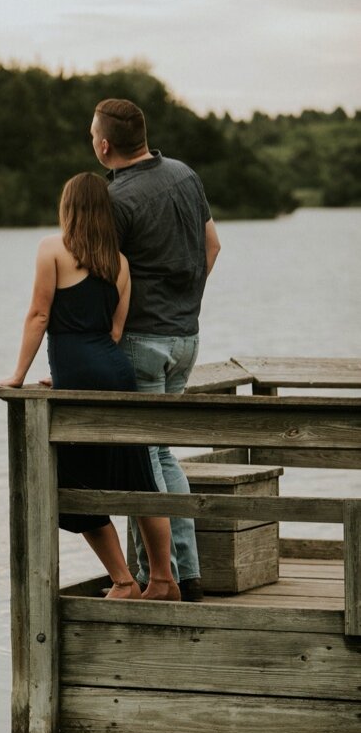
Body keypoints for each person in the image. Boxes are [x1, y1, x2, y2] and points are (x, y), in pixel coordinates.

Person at [1, 173, 180, 601]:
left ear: (68, 208)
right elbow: (115, 332)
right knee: (139, 481)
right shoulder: (119, 261)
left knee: (75, 486)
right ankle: (163, 580)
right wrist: (68, 375)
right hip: (116, 374)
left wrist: (18, 376)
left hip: (79, 378)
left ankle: (122, 581)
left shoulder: (52, 249)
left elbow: (39, 317)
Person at [92, 98, 221, 600]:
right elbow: (212, 247)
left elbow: (107, 280)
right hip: (186, 336)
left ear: (104, 146)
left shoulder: (115, 200)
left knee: (145, 459)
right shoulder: (186, 175)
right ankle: (172, 573)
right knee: (160, 454)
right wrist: (184, 304)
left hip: (142, 340)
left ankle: (170, 577)